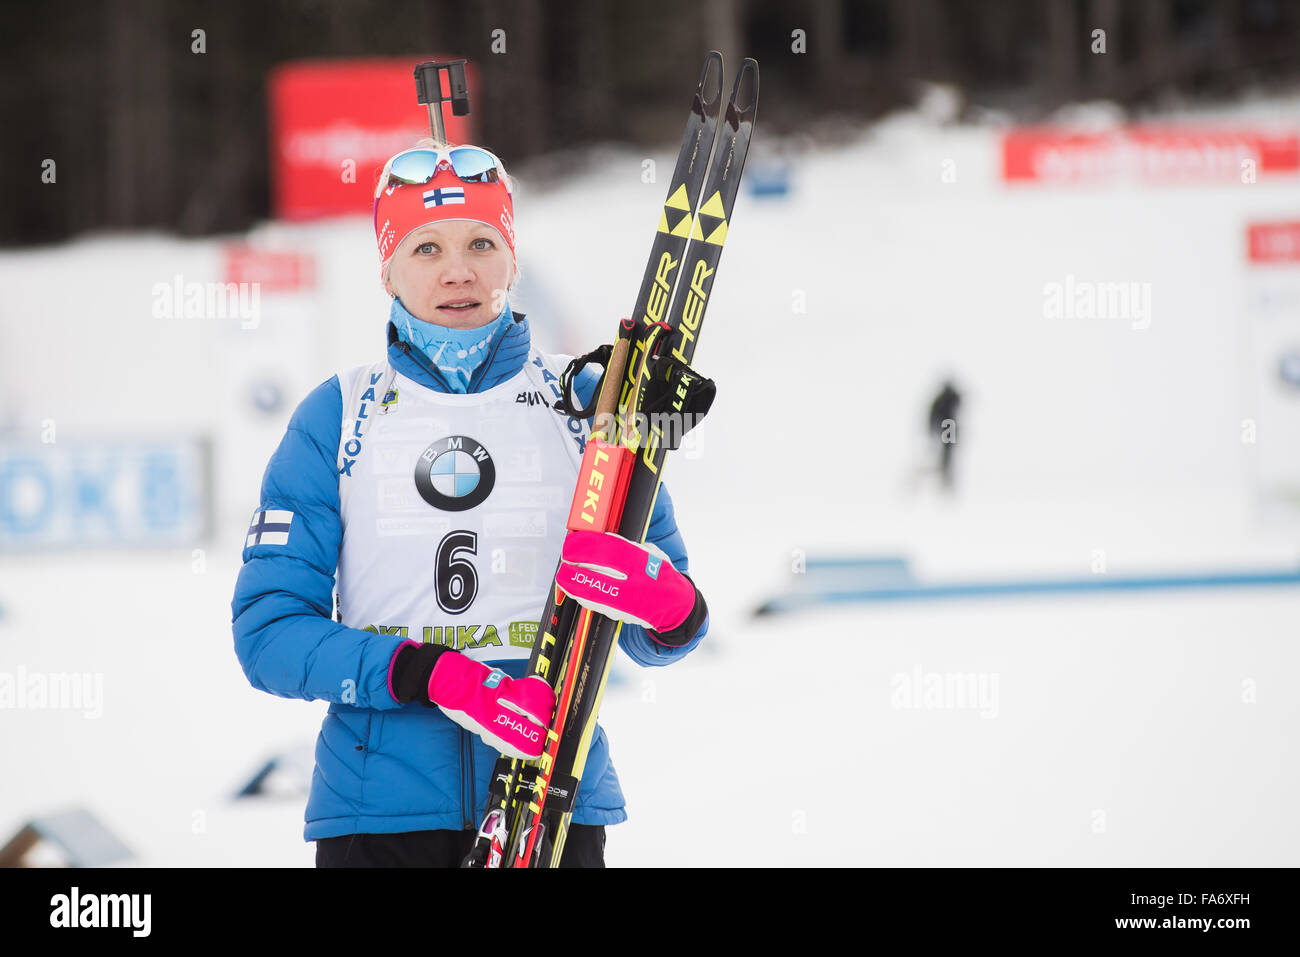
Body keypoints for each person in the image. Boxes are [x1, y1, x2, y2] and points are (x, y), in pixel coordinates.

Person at [230, 140, 710, 867]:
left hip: (553, 801)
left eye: (482, 242)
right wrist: (432, 673)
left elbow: (661, 628)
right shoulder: (338, 415)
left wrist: (665, 601)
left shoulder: (588, 405)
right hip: (377, 819)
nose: (459, 270)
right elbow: (269, 634)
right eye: (425, 248)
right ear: (386, 269)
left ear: (513, 261)